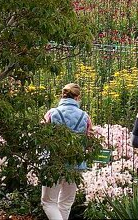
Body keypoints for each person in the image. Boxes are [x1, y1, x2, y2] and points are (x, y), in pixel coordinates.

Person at [40, 83, 91, 220]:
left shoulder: (52, 113)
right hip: (76, 163)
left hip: (54, 163)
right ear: (78, 97)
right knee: (66, 202)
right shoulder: (85, 117)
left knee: (48, 202)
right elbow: (89, 139)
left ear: (61, 95)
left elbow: (42, 137)